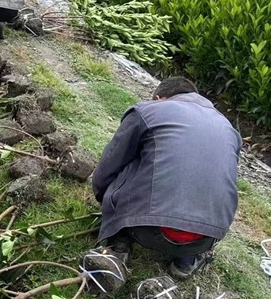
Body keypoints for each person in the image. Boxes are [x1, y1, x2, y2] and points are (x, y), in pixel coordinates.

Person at [92, 77, 242, 279]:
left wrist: (106, 201)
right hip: (205, 236)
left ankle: (120, 240)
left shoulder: (148, 111)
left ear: (158, 98)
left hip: (143, 228)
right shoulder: (229, 130)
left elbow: (111, 164)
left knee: (133, 162)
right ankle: (186, 260)